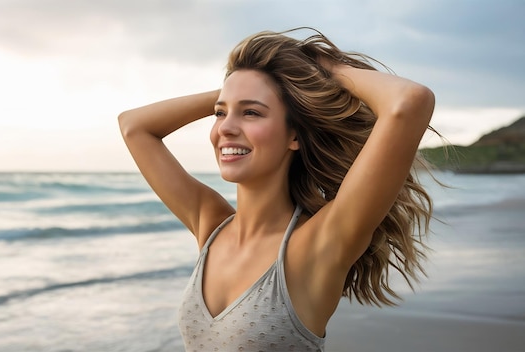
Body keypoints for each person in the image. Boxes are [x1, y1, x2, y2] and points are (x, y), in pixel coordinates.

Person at [118, 28, 435, 352]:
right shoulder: (210, 225)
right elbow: (133, 126)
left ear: (293, 135)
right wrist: (242, 87)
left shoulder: (319, 243)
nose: (225, 128)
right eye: (219, 113)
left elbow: (409, 102)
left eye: (251, 112)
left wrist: (319, 71)